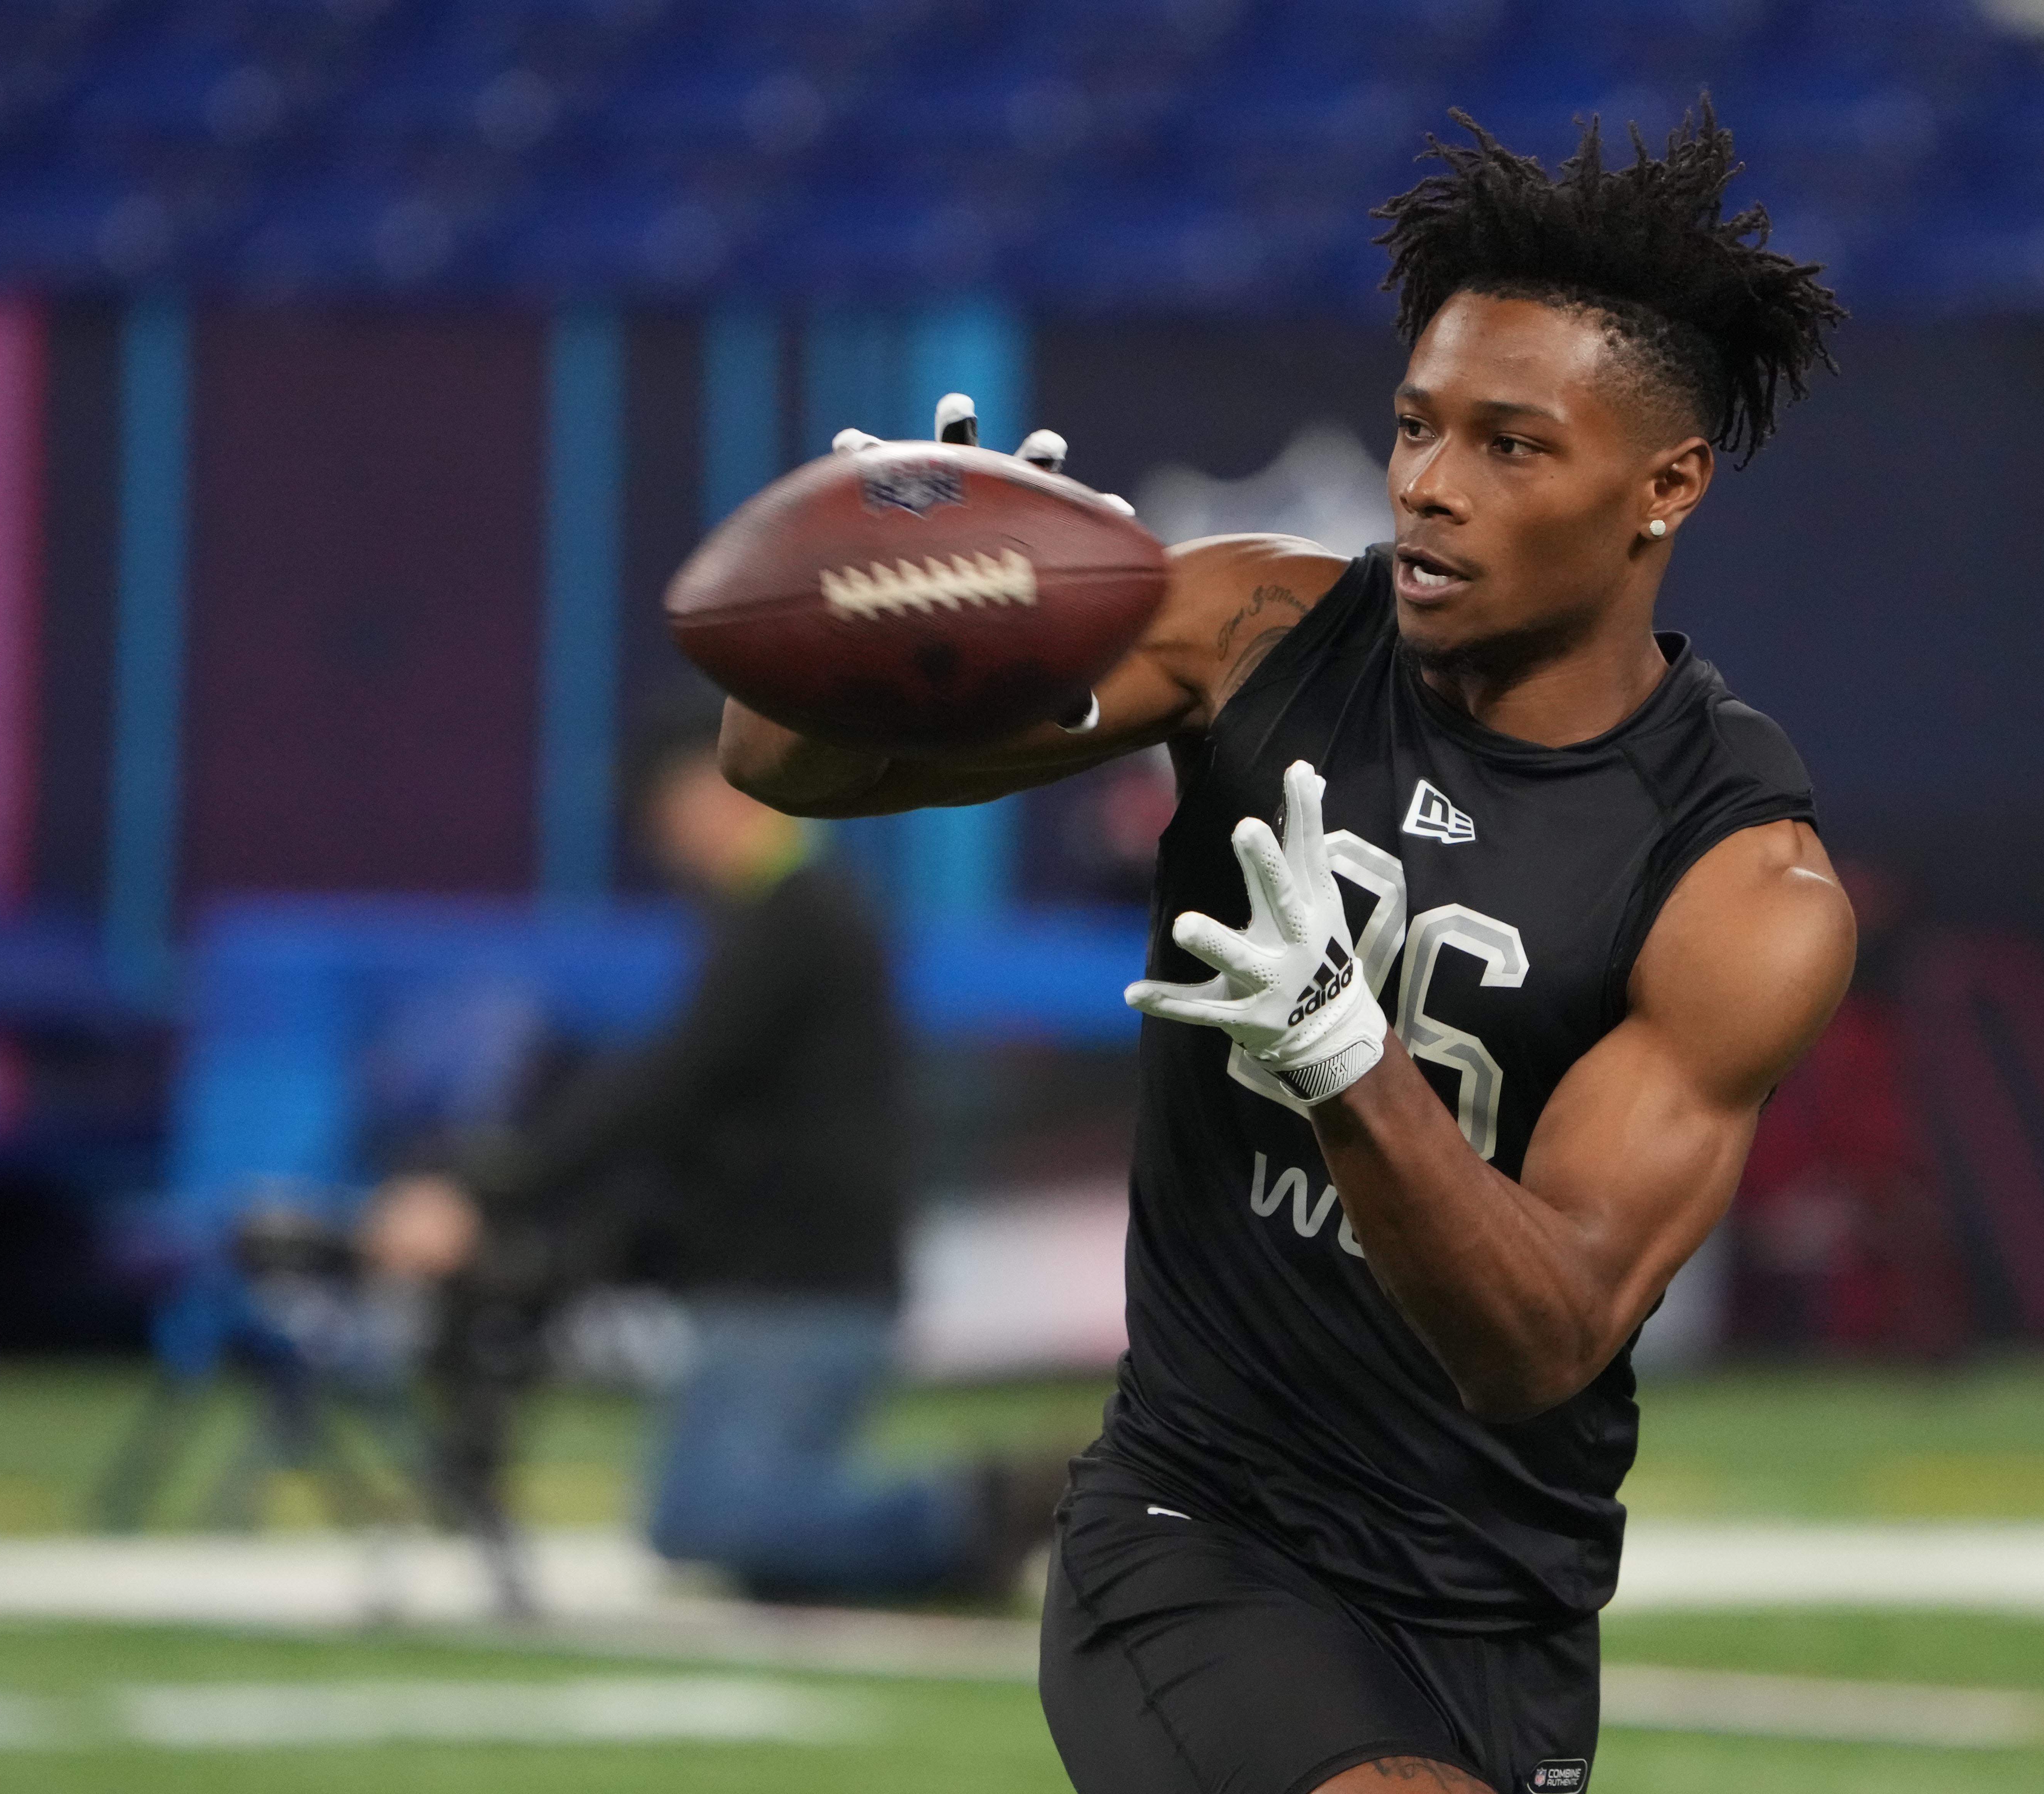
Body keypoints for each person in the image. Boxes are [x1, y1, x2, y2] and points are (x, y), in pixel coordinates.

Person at [724, 107, 1854, 1794]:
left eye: (1510, 446)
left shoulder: (1740, 884)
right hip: (1200, 1525)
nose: (1428, 484)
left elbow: (1538, 1338)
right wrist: (877, 614)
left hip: (1502, 1600)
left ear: (1663, 486)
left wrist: (1346, 1058)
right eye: (1415, 425)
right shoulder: (1256, 630)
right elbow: (779, 766)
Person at [365, 712, 1053, 1601]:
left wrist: (490, 1192)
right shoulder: (786, 912)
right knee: (756, 1548)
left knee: (707, 1517)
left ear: (710, 792)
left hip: (799, 1288)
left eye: (661, 811)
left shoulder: (795, 916)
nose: (659, 842)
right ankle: (965, 1543)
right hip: (786, 1282)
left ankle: (982, 1506)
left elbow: (665, 1086)